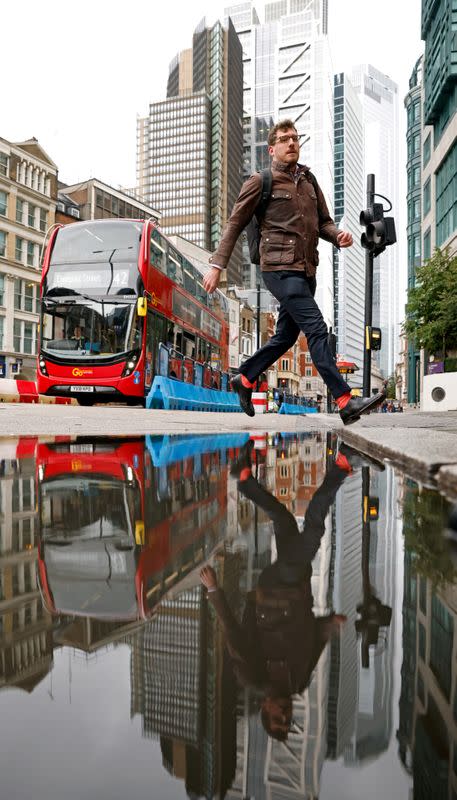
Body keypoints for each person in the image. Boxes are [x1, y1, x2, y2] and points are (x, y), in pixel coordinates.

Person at [203, 119, 385, 424]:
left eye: (295, 138)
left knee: (287, 337)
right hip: (278, 268)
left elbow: (323, 222)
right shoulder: (260, 181)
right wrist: (217, 265)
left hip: (305, 269)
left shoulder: (309, 182)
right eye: (285, 139)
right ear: (272, 148)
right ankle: (345, 400)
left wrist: (337, 235)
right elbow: (234, 223)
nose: (292, 143)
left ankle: (245, 378)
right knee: (316, 328)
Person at [200, 439, 384, 740]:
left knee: (313, 529)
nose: (286, 714)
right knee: (284, 519)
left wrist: (214, 591)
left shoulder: (252, 677)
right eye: (289, 720)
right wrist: (329, 625)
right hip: (296, 588)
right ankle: (245, 481)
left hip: (274, 592)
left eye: (278, 719)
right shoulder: (298, 682)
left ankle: (342, 465)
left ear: (265, 708)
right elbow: (313, 643)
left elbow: (232, 632)